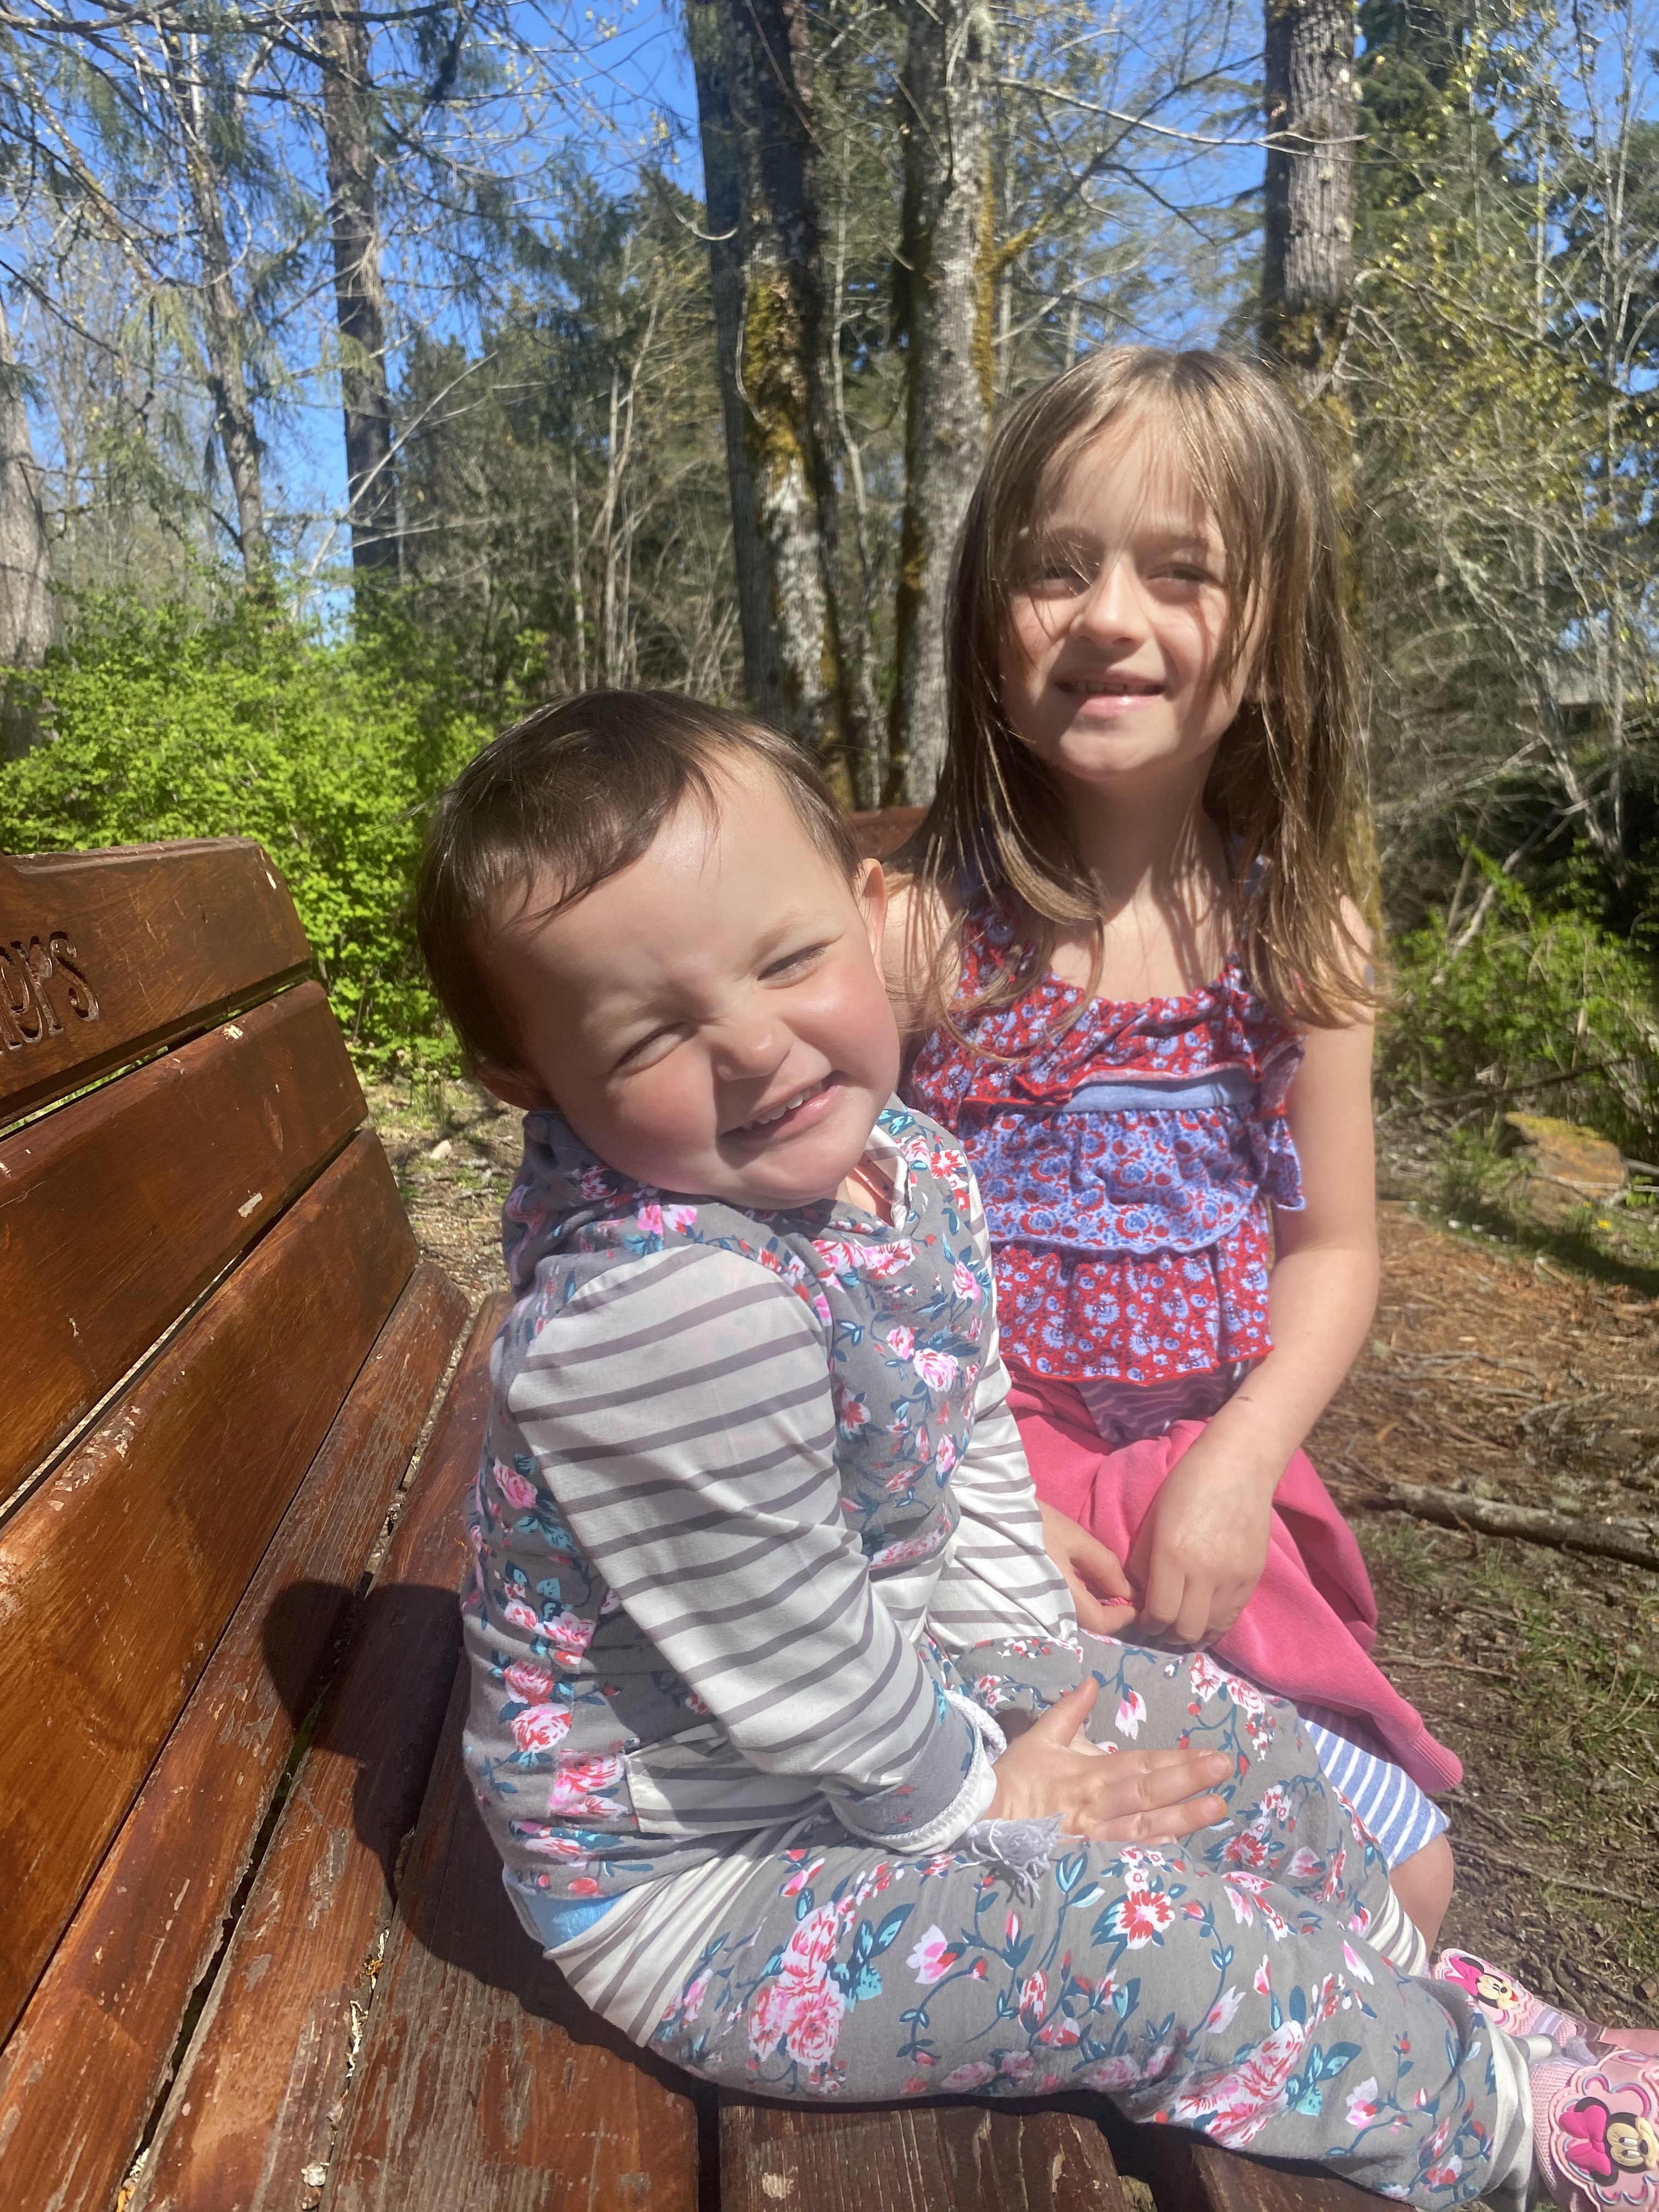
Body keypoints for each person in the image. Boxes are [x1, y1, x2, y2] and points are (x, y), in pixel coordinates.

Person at [414, 689, 1655, 2211]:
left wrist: (1034, 1680)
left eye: (789, 959)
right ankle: (1516, 2133)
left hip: (875, 1733)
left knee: (1240, 1748)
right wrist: (981, 1804)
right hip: (706, 1885)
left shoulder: (907, 1165)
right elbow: (802, 1666)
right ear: (532, 1079)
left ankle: (1416, 2001)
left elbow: (963, 1437)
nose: (754, 1044)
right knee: (1139, 1950)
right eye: (652, 1032)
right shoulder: (665, 1313)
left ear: (872, 911)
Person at [889, 346, 1455, 1944]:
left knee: (1411, 1876)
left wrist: (1243, 1458)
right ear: (988, 628)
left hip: (1205, 1494)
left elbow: (1332, 1249)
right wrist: (970, 1500)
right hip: (984, 1506)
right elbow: (837, 1260)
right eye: (1056, 568)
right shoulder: (918, 938)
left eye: (1181, 572)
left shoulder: (1300, 941)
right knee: (1110, 1857)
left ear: (1268, 636)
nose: (1111, 617)